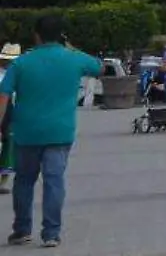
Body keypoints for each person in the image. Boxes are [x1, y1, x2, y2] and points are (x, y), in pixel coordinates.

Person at [0, 14, 104, 247]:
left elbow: (4, 94)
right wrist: (69, 46)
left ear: (36, 35)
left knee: (24, 181)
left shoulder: (21, 63)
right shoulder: (73, 59)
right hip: (60, 131)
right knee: (54, 181)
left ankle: (22, 229)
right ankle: (51, 233)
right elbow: (99, 67)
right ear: (61, 36)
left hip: (27, 132)